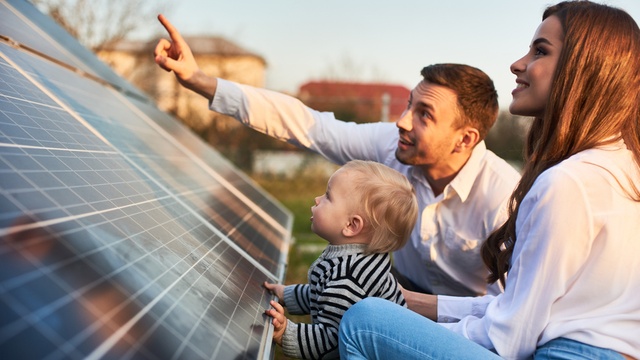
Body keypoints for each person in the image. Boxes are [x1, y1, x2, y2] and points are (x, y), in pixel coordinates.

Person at [337, 1, 640, 359]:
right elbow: (520, 308)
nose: (518, 64)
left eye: (540, 51)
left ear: (584, 70)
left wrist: (413, 327)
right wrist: (410, 304)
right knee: (382, 311)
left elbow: (510, 338)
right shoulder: (623, 164)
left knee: (364, 322)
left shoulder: (567, 183)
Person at [153, 15, 522, 297]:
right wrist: (200, 80)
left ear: (465, 139)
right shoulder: (393, 146)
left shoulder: (504, 198)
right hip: (400, 289)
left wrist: (403, 306)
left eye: (424, 114)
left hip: (468, 323)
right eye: (409, 104)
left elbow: (506, 313)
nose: (402, 121)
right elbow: (308, 125)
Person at [261, 159, 418, 359]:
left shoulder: (348, 279)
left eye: (327, 196)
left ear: (351, 225)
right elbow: (324, 295)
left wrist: (285, 333)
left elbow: (331, 342)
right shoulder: (354, 259)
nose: (317, 199)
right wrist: (287, 295)